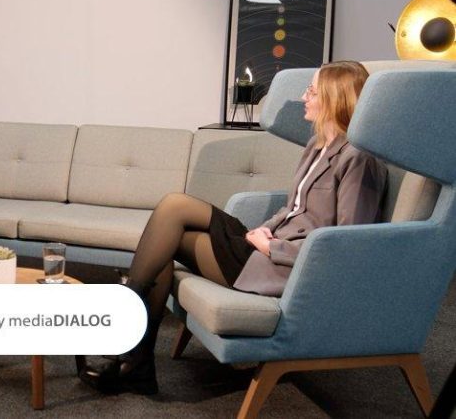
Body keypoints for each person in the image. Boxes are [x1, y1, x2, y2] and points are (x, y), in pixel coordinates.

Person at [79, 61, 388, 395]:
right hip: (264, 246)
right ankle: (136, 363)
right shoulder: (317, 145)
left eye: (311, 91)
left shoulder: (358, 159)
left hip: (281, 266)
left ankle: (128, 344)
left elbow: (346, 246)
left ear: (335, 98)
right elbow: (292, 208)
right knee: (167, 237)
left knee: (174, 207)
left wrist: (272, 248)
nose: (304, 97)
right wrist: (263, 231)